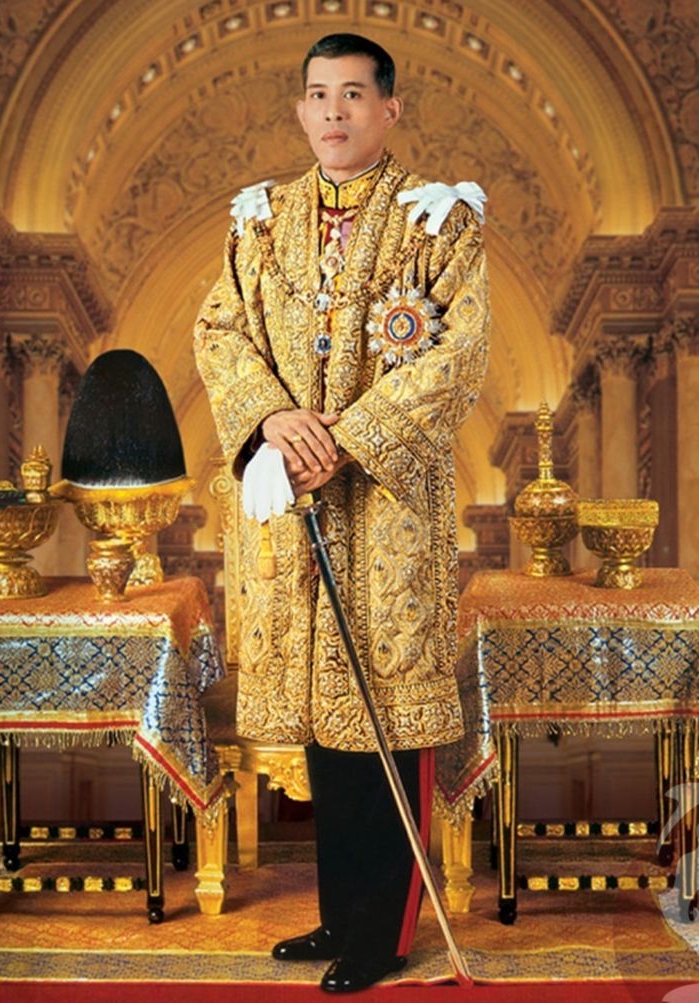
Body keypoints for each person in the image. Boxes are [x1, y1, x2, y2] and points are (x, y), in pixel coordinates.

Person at [194, 32, 490, 993]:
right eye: (318, 95)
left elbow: (457, 358)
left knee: (384, 714)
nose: (333, 112)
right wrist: (274, 420)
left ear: (389, 108)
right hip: (293, 504)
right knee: (326, 726)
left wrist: (345, 437)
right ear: (300, 109)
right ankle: (338, 917)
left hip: (388, 510)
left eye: (354, 95)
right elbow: (220, 331)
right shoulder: (258, 221)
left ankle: (385, 934)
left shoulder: (438, 222)